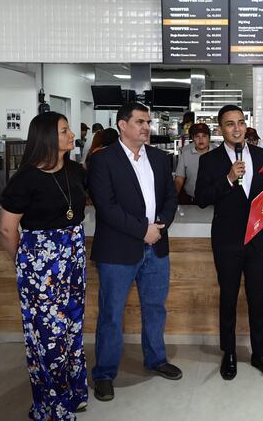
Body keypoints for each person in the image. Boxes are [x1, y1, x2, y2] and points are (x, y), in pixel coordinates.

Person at [0, 112, 89, 420]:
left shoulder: (76, 170)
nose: (72, 134)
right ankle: (53, 405)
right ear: (47, 137)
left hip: (74, 257)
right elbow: (7, 229)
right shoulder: (25, 179)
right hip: (41, 264)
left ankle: (75, 393)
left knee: (73, 329)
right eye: (64, 130)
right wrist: (24, 263)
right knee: (49, 335)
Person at [88, 102, 181, 402]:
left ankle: (156, 359)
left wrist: (160, 226)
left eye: (148, 122)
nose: (146, 127)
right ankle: (103, 373)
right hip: (118, 250)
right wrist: (144, 230)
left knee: (155, 308)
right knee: (112, 314)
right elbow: (107, 206)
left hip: (157, 246)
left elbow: (170, 196)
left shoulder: (158, 157)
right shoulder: (102, 161)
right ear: (122, 125)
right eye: (140, 121)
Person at [194, 105, 263, 382]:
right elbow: (201, 198)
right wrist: (229, 179)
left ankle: (260, 353)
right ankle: (229, 352)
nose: (237, 128)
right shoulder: (210, 161)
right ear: (221, 130)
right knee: (229, 297)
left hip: (257, 238)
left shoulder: (260, 154)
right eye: (230, 124)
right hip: (227, 239)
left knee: (258, 297)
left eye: (241, 123)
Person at [174, 122, 213, 204]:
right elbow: (179, 179)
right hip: (191, 200)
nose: (201, 140)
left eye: (204, 136)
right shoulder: (186, 154)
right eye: (197, 136)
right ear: (193, 138)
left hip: (214, 201)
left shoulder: (217, 153)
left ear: (209, 138)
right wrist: (172, 199)